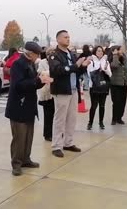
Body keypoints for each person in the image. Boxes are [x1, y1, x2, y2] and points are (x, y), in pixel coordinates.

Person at [5, 42, 53, 176]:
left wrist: (41, 81)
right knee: (19, 137)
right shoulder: (18, 64)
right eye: (37, 54)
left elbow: (32, 84)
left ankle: (26, 159)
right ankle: (16, 163)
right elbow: (18, 85)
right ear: (30, 53)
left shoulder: (30, 63)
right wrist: (37, 81)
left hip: (29, 105)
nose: (38, 57)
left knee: (28, 136)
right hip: (18, 106)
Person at [49, 30, 90, 158]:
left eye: (69, 37)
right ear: (58, 39)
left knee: (72, 118)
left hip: (73, 90)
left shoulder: (71, 54)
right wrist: (75, 66)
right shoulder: (54, 55)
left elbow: (76, 71)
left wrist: (83, 66)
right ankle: (56, 145)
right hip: (61, 90)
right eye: (65, 37)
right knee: (60, 119)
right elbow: (57, 71)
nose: (68, 39)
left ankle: (68, 142)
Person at [87, 46, 112, 130]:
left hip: (103, 86)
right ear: (95, 52)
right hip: (94, 87)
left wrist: (105, 69)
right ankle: (90, 122)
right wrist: (98, 69)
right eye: (98, 51)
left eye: (101, 51)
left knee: (102, 105)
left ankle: (101, 122)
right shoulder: (91, 61)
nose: (100, 52)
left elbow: (110, 74)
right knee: (94, 106)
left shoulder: (106, 62)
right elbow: (89, 74)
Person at [108, 45, 127, 125]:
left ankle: (119, 118)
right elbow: (114, 65)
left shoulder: (124, 58)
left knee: (123, 102)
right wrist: (115, 55)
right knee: (116, 102)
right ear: (116, 50)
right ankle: (114, 118)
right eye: (120, 49)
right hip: (115, 84)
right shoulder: (112, 59)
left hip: (123, 84)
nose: (122, 51)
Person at [37, 47, 55, 141]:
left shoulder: (57, 61)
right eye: (49, 53)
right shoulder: (42, 62)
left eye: (53, 53)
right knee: (48, 115)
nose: (51, 55)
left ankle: (56, 133)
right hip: (46, 92)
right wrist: (52, 75)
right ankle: (47, 134)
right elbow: (42, 74)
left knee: (57, 115)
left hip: (56, 92)